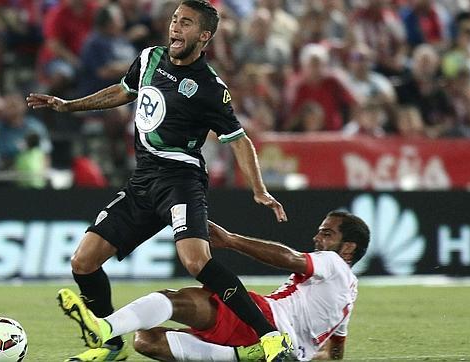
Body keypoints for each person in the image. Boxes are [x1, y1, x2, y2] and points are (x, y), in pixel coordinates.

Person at [26, 1, 290, 361]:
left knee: (197, 261)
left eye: (187, 23)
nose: (176, 28)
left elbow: (238, 139)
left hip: (181, 181)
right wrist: (68, 105)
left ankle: (270, 337)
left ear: (205, 35)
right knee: (83, 261)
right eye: (175, 20)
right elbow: (122, 91)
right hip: (143, 179)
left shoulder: (210, 87)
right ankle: (111, 345)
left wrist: (259, 189)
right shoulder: (150, 58)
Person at [60, 211, 370, 361]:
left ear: (348, 249)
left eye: (327, 234)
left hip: (268, 322)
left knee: (177, 300)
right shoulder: (348, 300)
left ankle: (104, 329)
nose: (318, 239)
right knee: (146, 340)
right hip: (281, 350)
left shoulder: (332, 264)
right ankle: (242, 357)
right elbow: (334, 354)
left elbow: (289, 258)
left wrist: (232, 240)